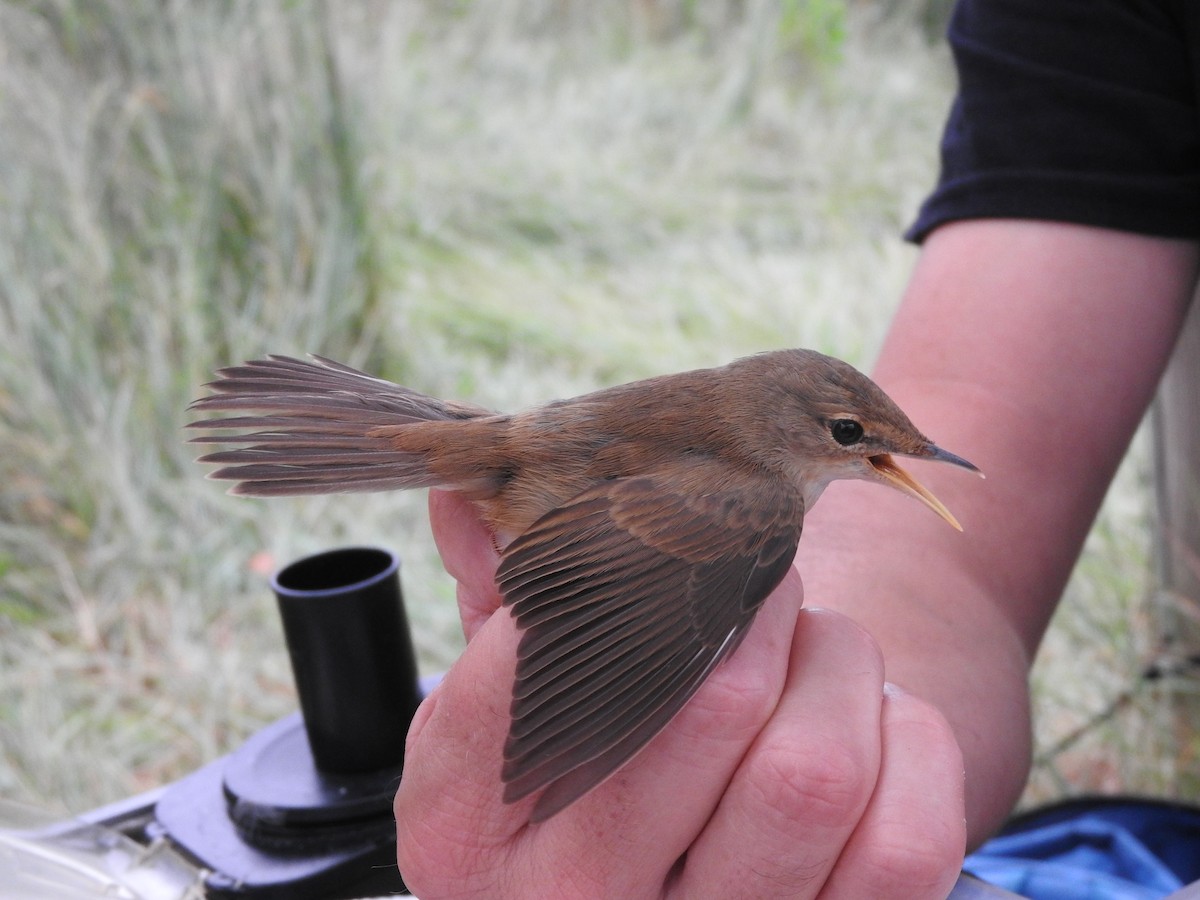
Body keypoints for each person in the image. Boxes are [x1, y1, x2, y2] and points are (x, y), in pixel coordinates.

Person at [393, 1, 1200, 896]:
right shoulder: (759, 491)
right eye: (853, 439)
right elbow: (942, 579)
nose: (888, 455)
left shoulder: (758, 476)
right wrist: (796, 784)